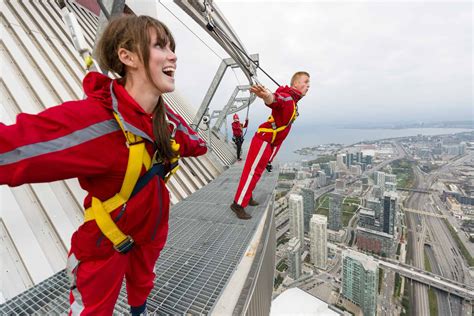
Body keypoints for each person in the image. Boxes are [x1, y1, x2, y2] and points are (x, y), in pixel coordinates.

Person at [0, 15, 207, 315]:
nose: (173, 55)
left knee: (142, 283)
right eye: (161, 46)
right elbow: (15, 147)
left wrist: (177, 138)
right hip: (106, 241)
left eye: (171, 47)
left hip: (150, 229)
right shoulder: (97, 123)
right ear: (127, 56)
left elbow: (196, 144)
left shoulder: (165, 120)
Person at [230, 72, 310, 219]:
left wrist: (270, 157)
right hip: (264, 139)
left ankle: (246, 197)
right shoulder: (287, 98)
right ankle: (238, 204)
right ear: (295, 84)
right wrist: (266, 96)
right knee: (252, 171)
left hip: (269, 142)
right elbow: (275, 100)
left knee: (257, 172)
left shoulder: (292, 100)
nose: (308, 86)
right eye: (305, 82)